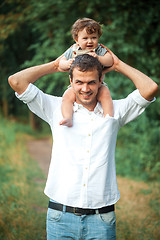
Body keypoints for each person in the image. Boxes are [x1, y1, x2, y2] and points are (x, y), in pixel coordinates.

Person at [8, 47, 158, 240]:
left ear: (101, 81)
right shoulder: (55, 107)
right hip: (60, 216)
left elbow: (150, 88)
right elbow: (16, 81)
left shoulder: (114, 111)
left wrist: (118, 64)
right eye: (79, 82)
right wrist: (55, 65)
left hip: (101, 219)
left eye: (91, 82)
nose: (85, 89)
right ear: (70, 81)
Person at [59, 18, 114, 127]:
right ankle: (67, 117)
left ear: (98, 38)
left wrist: (99, 58)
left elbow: (110, 60)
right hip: (77, 84)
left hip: (97, 84)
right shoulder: (74, 50)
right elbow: (60, 62)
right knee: (67, 97)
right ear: (76, 39)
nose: (90, 41)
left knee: (105, 95)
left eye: (94, 38)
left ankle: (109, 120)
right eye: (85, 38)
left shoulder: (99, 50)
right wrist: (66, 64)